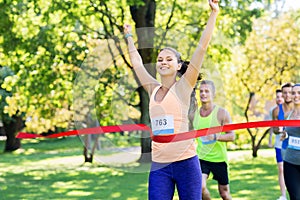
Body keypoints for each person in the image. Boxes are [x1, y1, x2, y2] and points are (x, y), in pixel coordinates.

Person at [123, 1, 219, 199]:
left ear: (178, 65)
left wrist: (213, 13)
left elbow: (201, 48)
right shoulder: (152, 88)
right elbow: (137, 63)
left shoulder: (183, 87)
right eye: (159, 59)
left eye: (168, 59)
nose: (163, 62)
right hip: (160, 165)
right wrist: (129, 36)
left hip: (186, 163)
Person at [192, 80, 235, 200]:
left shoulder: (222, 113)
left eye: (207, 91)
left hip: (219, 159)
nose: (203, 94)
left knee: (224, 194)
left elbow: (232, 136)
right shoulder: (194, 114)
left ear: (213, 94)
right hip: (201, 157)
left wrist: (215, 137)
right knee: (200, 187)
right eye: (201, 91)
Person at [280, 83, 300, 200]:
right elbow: (289, 134)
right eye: (293, 93)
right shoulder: (288, 115)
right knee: (295, 197)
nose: (296, 96)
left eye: (299, 93)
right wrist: (284, 135)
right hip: (290, 161)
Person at [268, 89, 287, 200]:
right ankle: (283, 195)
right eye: (277, 97)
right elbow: (272, 127)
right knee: (281, 168)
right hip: (279, 142)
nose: (279, 98)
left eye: (281, 96)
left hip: (291, 143)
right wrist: (270, 139)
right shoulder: (274, 111)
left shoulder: (292, 110)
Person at [272, 83, 294, 159]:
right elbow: (274, 129)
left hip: (296, 146)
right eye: (285, 93)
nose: (287, 95)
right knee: (284, 170)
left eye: (290, 92)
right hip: (282, 145)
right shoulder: (276, 110)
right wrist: (278, 130)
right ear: (282, 94)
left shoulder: (298, 109)